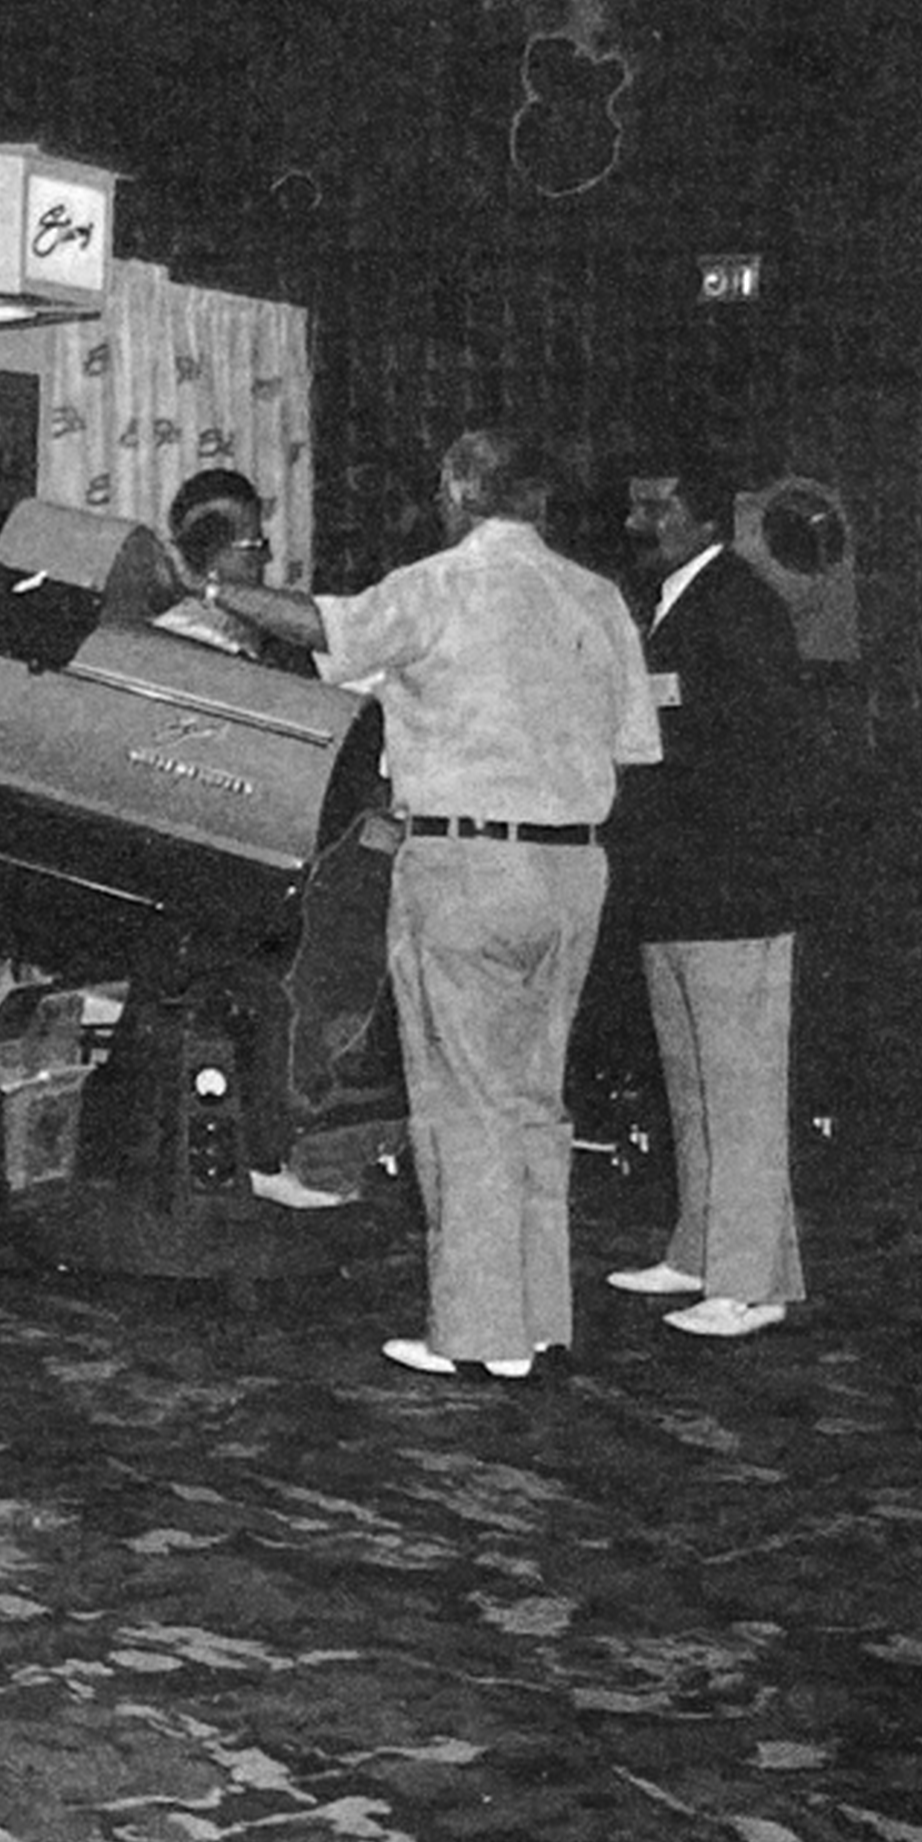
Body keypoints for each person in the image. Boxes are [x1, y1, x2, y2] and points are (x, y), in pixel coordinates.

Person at [184, 427, 659, 1381]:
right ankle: (538, 1322)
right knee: (534, 1100)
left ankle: (477, 1336)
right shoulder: (599, 597)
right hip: (576, 871)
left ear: (457, 492)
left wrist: (205, 588)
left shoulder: (441, 583)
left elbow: (327, 627)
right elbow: (634, 745)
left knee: (462, 1101)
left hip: (468, 864)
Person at [604, 443, 810, 1340]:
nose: (634, 523)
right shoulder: (671, 603)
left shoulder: (742, 606)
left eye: (652, 508)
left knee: (742, 1091)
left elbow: (763, 759)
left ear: (700, 515)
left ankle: (751, 1282)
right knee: (690, 1084)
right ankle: (699, 1248)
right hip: (677, 885)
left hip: (733, 889)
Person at [151, 467, 317, 677]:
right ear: (208, 555)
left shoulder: (279, 641)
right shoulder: (171, 647)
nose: (267, 558)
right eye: (254, 547)